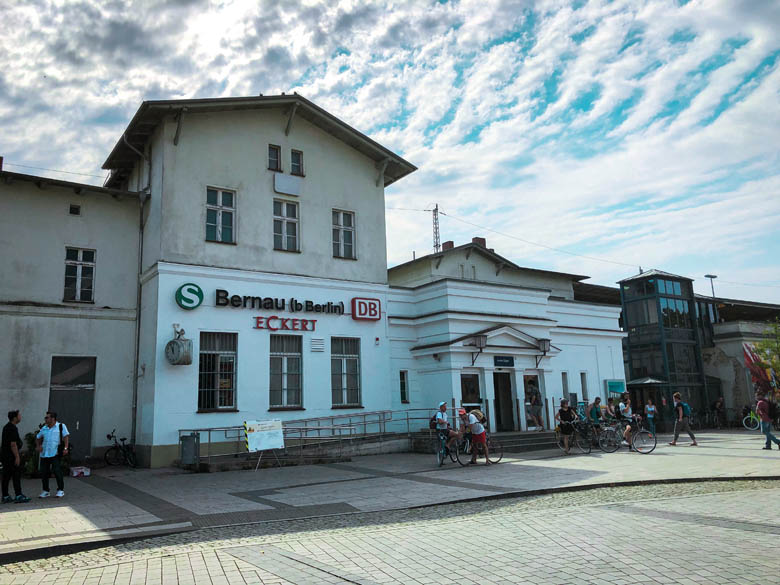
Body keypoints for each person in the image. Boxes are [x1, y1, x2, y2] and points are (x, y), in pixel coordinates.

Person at [36, 411, 69, 498]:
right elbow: (38, 437)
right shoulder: (44, 428)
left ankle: (60, 490)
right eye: (45, 418)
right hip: (44, 454)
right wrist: (38, 446)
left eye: (47, 417)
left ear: (53, 419)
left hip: (55, 453)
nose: (45, 419)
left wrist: (66, 448)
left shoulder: (61, 426)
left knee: (57, 471)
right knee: (44, 473)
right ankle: (46, 490)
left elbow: (66, 437)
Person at [2, 410, 30, 504]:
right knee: (16, 475)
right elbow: (13, 444)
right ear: (14, 418)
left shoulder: (7, 427)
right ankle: (18, 495)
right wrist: (17, 457)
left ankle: (5, 496)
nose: (20, 417)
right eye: (19, 415)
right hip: (11, 456)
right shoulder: (12, 428)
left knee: (6, 476)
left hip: (5, 455)